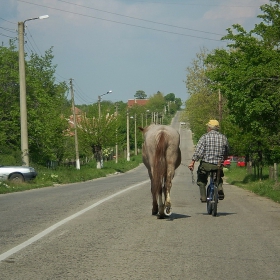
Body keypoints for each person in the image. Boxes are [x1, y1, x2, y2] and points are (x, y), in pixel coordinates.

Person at [188, 120, 229, 202]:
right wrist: (223, 159)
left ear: (209, 128)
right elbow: (227, 151)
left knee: (201, 179)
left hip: (206, 164)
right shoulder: (223, 137)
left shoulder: (204, 137)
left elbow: (198, 152)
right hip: (218, 164)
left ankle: (203, 196)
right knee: (218, 177)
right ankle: (220, 187)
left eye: (208, 127)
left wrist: (192, 162)